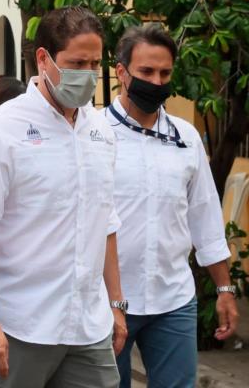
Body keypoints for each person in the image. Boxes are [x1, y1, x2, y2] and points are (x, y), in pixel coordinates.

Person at [0, 6, 126, 388]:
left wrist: (116, 304)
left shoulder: (100, 130)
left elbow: (106, 222)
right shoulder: (0, 130)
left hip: (88, 326)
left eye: (95, 64)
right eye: (76, 63)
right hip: (20, 327)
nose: (87, 74)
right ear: (44, 59)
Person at [108, 25, 239, 387]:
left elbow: (205, 218)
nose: (156, 81)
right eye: (146, 71)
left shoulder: (186, 137)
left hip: (173, 299)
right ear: (121, 72)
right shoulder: (94, 133)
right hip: (107, 302)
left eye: (165, 73)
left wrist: (224, 290)